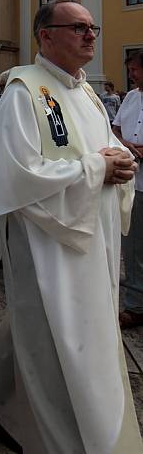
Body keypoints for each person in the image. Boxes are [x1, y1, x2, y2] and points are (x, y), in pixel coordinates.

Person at [0, 0, 142, 454]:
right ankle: (55, 433)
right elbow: (16, 175)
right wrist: (95, 170)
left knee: (60, 330)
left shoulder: (86, 94)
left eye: (92, 28)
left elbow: (106, 152)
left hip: (93, 236)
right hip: (48, 243)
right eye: (78, 27)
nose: (90, 35)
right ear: (46, 36)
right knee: (51, 335)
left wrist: (118, 164)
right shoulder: (24, 92)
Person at [113, 49, 143, 329]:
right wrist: (126, 145)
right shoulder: (132, 97)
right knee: (133, 248)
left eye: (135, 69)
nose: (131, 75)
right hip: (136, 183)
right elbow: (116, 129)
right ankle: (135, 305)